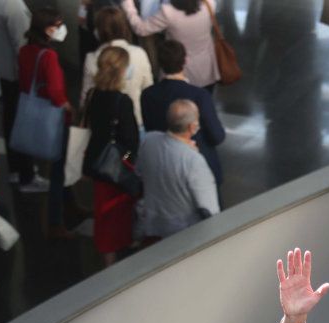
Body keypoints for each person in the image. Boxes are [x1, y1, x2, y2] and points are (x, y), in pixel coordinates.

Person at [18, 7, 77, 238]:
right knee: (59, 168)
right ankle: (55, 222)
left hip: (36, 113)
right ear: (47, 29)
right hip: (55, 117)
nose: (61, 30)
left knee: (60, 164)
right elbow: (55, 91)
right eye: (58, 25)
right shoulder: (49, 56)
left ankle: (70, 203)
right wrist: (68, 106)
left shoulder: (25, 51)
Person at [141, 40, 226, 196]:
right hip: (200, 167)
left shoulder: (148, 95)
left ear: (159, 63)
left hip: (164, 166)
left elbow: (150, 130)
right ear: (185, 61)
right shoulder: (200, 96)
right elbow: (217, 136)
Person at [83, 46, 139, 266]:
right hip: (118, 164)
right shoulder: (122, 101)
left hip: (97, 162)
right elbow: (132, 137)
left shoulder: (92, 95)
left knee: (102, 213)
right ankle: (120, 247)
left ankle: (108, 257)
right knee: (120, 212)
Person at [136, 100, 219, 242]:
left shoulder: (149, 140)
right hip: (182, 233)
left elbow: (138, 171)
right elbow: (210, 209)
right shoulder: (194, 161)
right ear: (192, 127)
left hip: (151, 224)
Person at [0, 0, 36, 188]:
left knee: (10, 117)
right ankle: (27, 174)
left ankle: (15, 168)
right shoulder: (13, 6)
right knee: (23, 122)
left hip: (3, 67)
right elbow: (22, 47)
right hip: (17, 73)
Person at [119, 0, 222, 89]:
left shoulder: (168, 12)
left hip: (178, 72)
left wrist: (129, 6)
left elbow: (141, 29)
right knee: (204, 104)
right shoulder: (209, 4)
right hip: (206, 70)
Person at [81, 6, 154, 126]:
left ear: (99, 30)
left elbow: (86, 97)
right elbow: (148, 89)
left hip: (101, 123)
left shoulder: (92, 58)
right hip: (135, 120)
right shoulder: (139, 54)